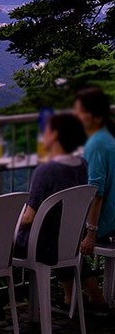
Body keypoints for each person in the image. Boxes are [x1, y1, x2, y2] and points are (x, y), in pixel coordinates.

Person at [14, 113, 108, 313]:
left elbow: (28, 218)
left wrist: (6, 224)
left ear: (54, 135)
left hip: (43, 245)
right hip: (69, 241)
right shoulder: (82, 165)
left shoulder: (46, 171)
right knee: (56, 235)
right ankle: (84, 299)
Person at [74, 87, 115, 253]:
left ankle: (80, 278)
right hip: (112, 218)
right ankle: (86, 278)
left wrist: (91, 234)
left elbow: (96, 193)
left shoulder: (96, 144)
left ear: (96, 117)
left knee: (56, 235)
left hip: (105, 223)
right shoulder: (109, 136)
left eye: (81, 112)